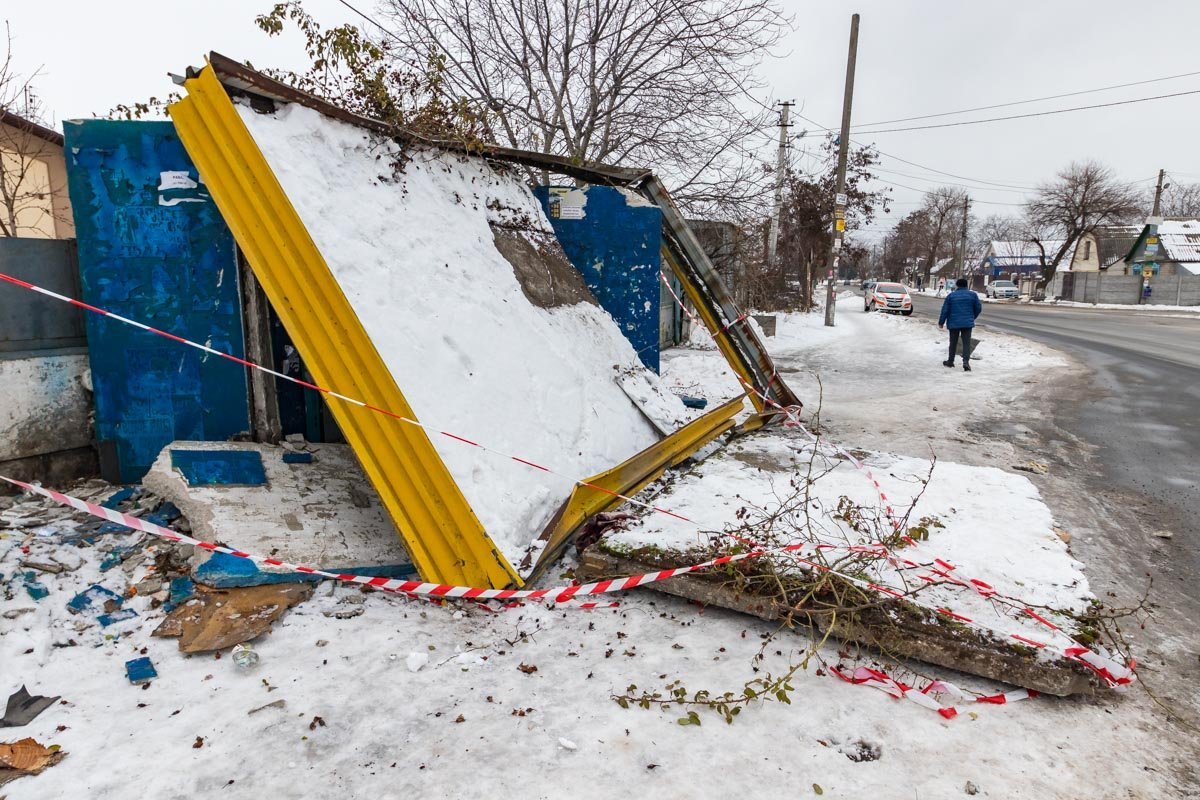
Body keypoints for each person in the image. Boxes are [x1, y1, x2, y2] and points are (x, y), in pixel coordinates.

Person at [939, 277, 982, 372]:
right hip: (967, 323)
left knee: (953, 342)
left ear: (957, 285)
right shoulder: (973, 295)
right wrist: (972, 317)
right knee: (966, 343)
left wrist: (941, 322)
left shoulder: (951, 296)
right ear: (966, 285)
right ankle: (966, 362)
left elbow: (945, 310)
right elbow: (978, 308)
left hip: (953, 323)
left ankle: (950, 361)